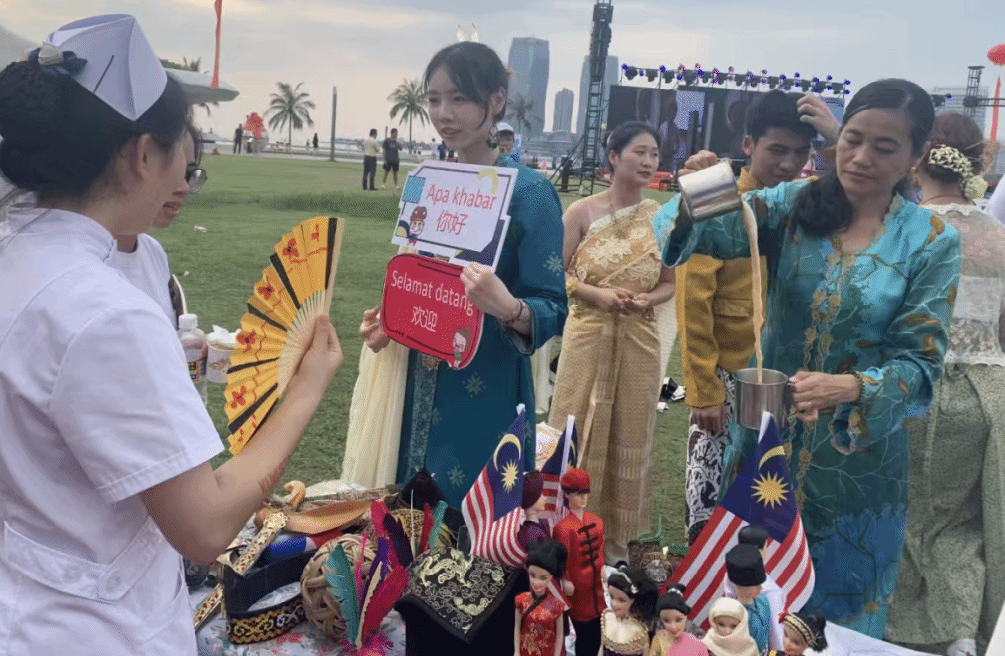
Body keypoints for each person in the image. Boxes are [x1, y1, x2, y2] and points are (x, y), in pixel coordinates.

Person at [0, 15, 342, 655]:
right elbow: (205, 528)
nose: (186, 175)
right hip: (89, 633)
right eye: (183, 153)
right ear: (144, 153)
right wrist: (307, 388)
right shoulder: (104, 313)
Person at [654, 79, 961, 636]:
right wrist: (701, 183)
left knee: (831, 621)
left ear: (915, 157)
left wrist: (852, 387)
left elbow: (921, 366)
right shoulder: (793, 206)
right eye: (853, 140)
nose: (861, 158)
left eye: (884, 148)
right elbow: (699, 232)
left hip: (855, 468)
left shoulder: (931, 240)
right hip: (765, 448)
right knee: (744, 606)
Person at [347, 42, 567, 505]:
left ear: (497, 101)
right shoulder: (427, 182)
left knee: (474, 522)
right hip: (415, 385)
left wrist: (510, 308)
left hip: (484, 390)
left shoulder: (530, 193)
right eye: (434, 99)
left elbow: (553, 307)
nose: (443, 114)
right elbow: (417, 281)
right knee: (405, 513)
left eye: (460, 99)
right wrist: (390, 321)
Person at [679, 91, 824, 545]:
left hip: (784, 374)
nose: (789, 164)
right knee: (713, 494)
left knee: (771, 491)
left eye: (800, 153)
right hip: (726, 376)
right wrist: (703, 390)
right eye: (777, 150)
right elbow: (692, 299)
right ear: (748, 145)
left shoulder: (806, 205)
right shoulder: (718, 196)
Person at [888, 112, 1005, 656]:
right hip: (987, 394)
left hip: (916, 384)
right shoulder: (999, 236)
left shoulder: (907, 230)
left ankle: (903, 626)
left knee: (905, 510)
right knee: (963, 523)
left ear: (919, 160)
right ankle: (959, 626)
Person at [548, 121, 675, 565]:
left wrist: (647, 300)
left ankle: (617, 544)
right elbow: (556, 274)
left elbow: (670, 282)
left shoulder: (662, 217)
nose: (648, 161)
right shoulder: (581, 212)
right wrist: (596, 294)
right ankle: (561, 528)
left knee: (630, 428)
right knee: (574, 421)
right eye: (639, 152)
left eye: (654, 154)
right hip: (587, 336)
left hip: (639, 341)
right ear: (614, 156)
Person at [109, 123, 206, 327]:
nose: (184, 188)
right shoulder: (85, 262)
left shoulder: (153, 252)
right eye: (174, 171)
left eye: (189, 174)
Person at [553, 467, 605, 656]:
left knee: (597, 632)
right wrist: (564, 579)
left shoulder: (596, 521)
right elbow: (562, 557)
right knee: (584, 635)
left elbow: (600, 548)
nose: (583, 498)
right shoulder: (563, 529)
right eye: (578, 493)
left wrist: (602, 566)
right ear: (567, 495)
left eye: (585, 493)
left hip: (597, 589)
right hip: (578, 591)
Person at [724, 525, 785, 651]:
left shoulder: (732, 573)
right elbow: (777, 643)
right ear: (759, 550)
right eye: (766, 545)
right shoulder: (769, 593)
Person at [514, 539, 568, 656]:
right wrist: (516, 651)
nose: (536, 582)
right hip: (525, 651)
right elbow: (517, 627)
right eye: (532, 575)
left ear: (550, 578)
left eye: (543, 578)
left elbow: (559, 636)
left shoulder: (557, 606)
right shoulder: (521, 600)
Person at [602, 567, 657, 656]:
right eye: (611, 597)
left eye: (621, 600)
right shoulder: (606, 617)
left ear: (632, 601)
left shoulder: (639, 632)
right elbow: (602, 648)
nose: (614, 604)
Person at [650, 584, 707, 656]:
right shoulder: (659, 639)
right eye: (666, 621)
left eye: (678, 620)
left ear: (686, 617)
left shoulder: (697, 645)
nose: (673, 627)